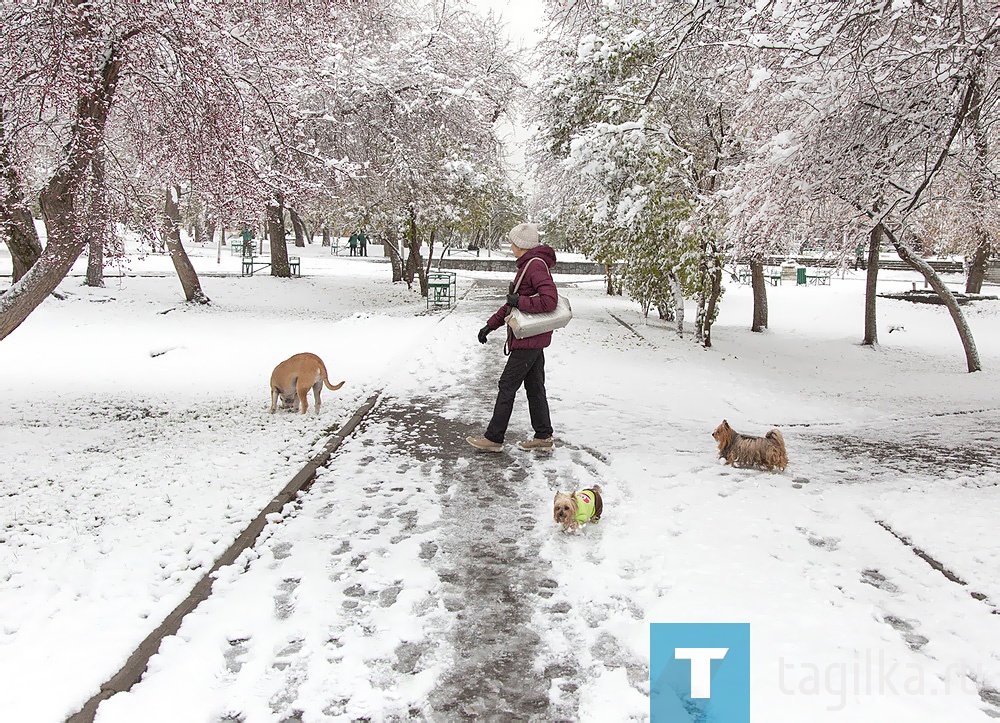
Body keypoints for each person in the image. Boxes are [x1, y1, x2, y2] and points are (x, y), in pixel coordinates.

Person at [467, 223, 558, 452]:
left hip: (529, 338)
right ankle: (543, 436)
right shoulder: (529, 265)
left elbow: (549, 301)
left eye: (513, 243)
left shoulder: (535, 266)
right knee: (535, 386)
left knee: (507, 385)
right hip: (532, 337)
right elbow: (512, 304)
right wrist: (490, 325)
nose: (511, 247)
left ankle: (494, 438)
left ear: (521, 245)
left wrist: (521, 302)